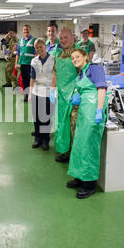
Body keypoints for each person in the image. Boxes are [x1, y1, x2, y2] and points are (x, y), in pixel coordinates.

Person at [66, 49, 108, 199]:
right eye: (72, 58)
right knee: (79, 144)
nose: (74, 60)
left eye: (77, 56)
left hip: (93, 111)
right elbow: (82, 88)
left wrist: (99, 110)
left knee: (89, 146)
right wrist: (77, 95)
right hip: (84, 111)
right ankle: (79, 176)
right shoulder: (81, 73)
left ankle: (89, 184)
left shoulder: (95, 69)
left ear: (85, 57)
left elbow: (101, 89)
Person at [51, 28, 79, 163]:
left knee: (73, 127)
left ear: (72, 38)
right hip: (62, 96)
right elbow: (55, 74)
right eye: (61, 38)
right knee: (62, 124)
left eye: (65, 38)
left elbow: (84, 74)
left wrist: (78, 92)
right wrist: (52, 90)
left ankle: (74, 155)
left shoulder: (78, 54)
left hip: (74, 97)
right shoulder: (59, 54)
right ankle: (66, 152)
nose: (63, 40)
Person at [29, 39, 55, 151]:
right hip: (37, 91)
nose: (39, 49)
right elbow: (32, 77)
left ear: (45, 46)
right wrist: (30, 93)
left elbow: (55, 76)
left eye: (41, 46)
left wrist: (53, 92)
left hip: (49, 91)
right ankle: (37, 138)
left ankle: (45, 140)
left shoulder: (53, 59)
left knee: (47, 117)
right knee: (37, 117)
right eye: (37, 48)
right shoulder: (34, 61)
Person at [15, 24, 36, 102]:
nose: (25, 31)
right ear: (23, 31)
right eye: (24, 30)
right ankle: (27, 96)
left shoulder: (34, 40)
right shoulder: (20, 41)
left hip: (31, 65)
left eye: (27, 29)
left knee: (32, 80)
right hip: (22, 64)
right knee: (25, 81)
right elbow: (18, 53)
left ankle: (33, 96)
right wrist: (16, 63)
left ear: (30, 30)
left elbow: (37, 52)